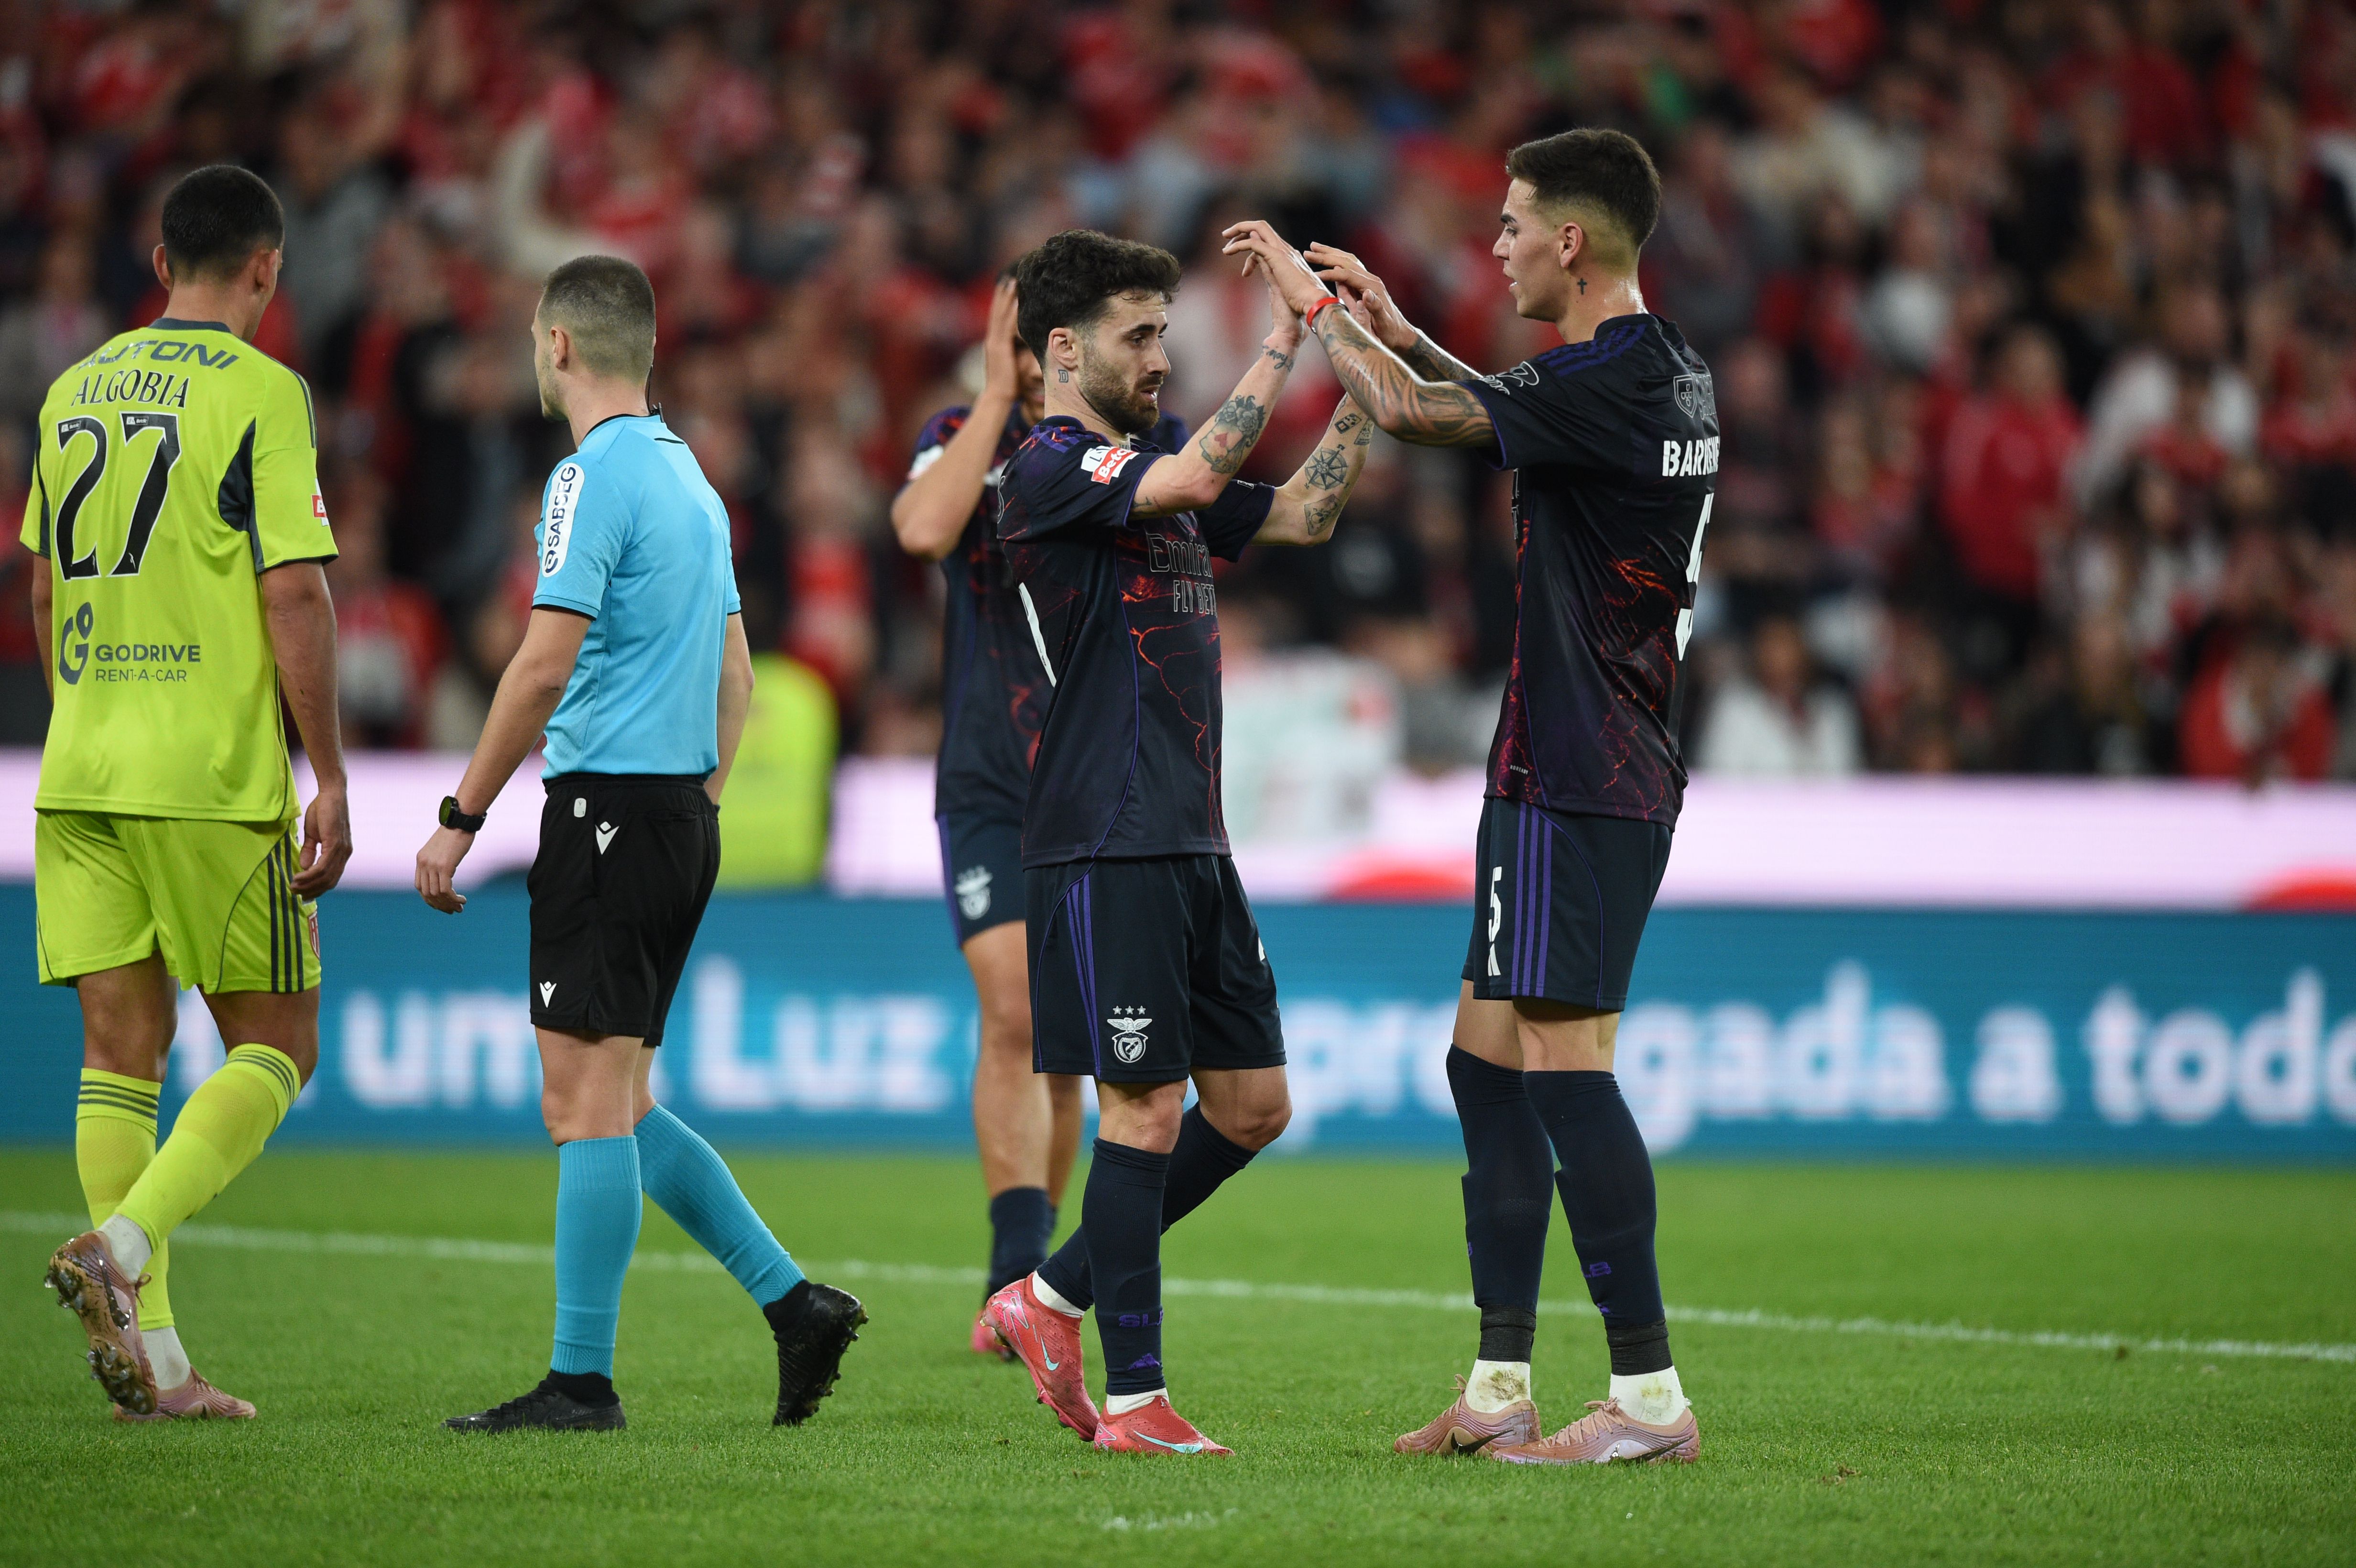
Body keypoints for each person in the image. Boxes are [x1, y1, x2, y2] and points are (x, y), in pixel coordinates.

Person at [1224, 125, 1710, 1466]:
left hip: (1582, 766)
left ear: (1572, 239)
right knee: (1485, 1062)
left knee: (1565, 1068)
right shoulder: (1657, 370)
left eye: (1509, 224)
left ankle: (1649, 1401)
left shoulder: (1610, 382)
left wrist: (1320, 313)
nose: (1491, 245)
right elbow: (1506, 401)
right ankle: (1501, 1385)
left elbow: (1408, 417)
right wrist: (1401, 324)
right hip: (1559, 763)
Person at [414, 255, 863, 1434]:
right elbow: (738, 670)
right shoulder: (691, 479)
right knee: (618, 1093)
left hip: (609, 811)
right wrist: (698, 797)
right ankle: (792, 1302)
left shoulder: (587, 475)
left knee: (582, 1103)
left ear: (557, 344)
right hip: (672, 816)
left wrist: (460, 817)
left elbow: (544, 660)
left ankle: (581, 1381)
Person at [978, 229, 1374, 1457]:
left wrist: (1355, 348)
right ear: (1063, 349)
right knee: (1142, 1111)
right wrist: (1284, 336)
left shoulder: (1148, 464)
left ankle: (1046, 1297)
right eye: (1139, 335)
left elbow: (1304, 510)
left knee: (1251, 1106)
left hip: (1191, 841)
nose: (1161, 354)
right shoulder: (1045, 468)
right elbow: (1207, 477)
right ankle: (1138, 1403)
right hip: (1104, 840)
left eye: (1163, 331)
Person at [34, 165, 350, 1422]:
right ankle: (118, 1249)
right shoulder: (266, 393)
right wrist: (324, 769)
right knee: (279, 1045)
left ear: (161, 265)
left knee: (123, 1055)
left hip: (81, 764)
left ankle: (157, 1367)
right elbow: (292, 587)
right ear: (266, 270)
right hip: (206, 776)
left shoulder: (71, 392)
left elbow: (49, 583)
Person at [889, 272, 1093, 1357]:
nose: (1029, 359)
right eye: (1015, 340)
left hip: (1090, 776)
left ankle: (1037, 1281)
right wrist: (990, 401)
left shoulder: (1112, 446)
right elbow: (923, 528)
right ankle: (1014, 1267)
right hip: (984, 775)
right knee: (1011, 1008)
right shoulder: (956, 435)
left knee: (1060, 1047)